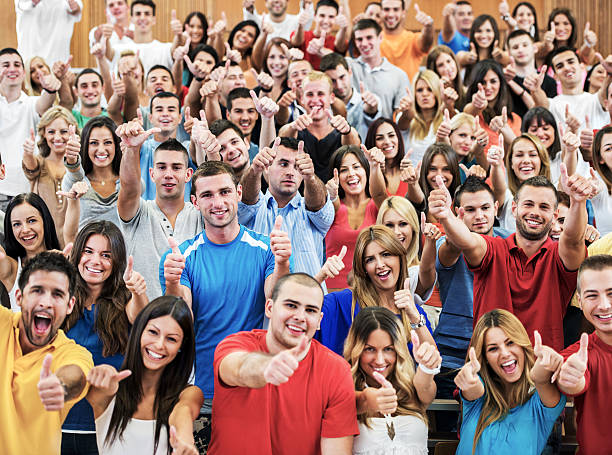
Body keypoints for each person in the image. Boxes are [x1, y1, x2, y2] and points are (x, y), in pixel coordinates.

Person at [161, 160, 293, 452]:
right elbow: (182, 317)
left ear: (237, 193)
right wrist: (171, 281)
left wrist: (283, 262)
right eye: (207, 195)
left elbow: (277, 297)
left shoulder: (267, 249)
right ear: (195, 202)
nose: (217, 202)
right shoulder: (180, 257)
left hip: (255, 390)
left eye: (224, 192)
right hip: (201, 394)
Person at [429, 170, 592, 352]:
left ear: (554, 216)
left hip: (541, 370)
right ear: (514, 209)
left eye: (544, 207)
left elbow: (573, 239)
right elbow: (467, 240)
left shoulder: (559, 256)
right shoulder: (493, 248)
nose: (535, 212)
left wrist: (578, 201)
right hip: (490, 372)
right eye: (528, 204)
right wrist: (446, 216)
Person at [209, 273, 358, 454]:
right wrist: (266, 367)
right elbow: (237, 368)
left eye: (310, 310)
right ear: (270, 308)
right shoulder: (236, 344)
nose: (300, 316)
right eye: (291, 305)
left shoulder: (337, 370)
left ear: (319, 321)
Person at [60, 221, 148, 455]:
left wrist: (139, 292)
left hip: (108, 428)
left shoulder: (125, 300)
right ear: (78, 254)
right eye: (88, 251)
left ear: (117, 262)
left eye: (106, 255)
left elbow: (141, 319)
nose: (95, 261)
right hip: (57, 426)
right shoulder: (62, 298)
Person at [433, 176, 511, 431]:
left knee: (491, 432)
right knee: (450, 436)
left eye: (485, 208)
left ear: (496, 208)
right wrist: (448, 220)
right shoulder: (448, 242)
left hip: (498, 354)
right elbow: (451, 250)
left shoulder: (509, 241)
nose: (479, 216)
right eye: (470, 210)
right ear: (459, 212)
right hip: (452, 355)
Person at [0, 251, 93, 454]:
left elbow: (76, 375)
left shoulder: (74, 353)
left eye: (57, 294)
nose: (46, 302)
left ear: (70, 305)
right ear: (19, 297)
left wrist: (60, 386)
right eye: (37, 291)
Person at [86, 296, 202, 454]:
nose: (159, 345)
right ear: (139, 331)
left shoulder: (188, 393)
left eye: (171, 339)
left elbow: (183, 412)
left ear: (181, 346)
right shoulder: (109, 390)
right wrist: (100, 374)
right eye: (153, 332)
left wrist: (184, 439)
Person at [454, 309, 565, 454]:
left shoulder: (540, 402)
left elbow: (542, 381)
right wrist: (469, 380)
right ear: (485, 358)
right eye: (493, 349)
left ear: (522, 344)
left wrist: (543, 370)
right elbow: (473, 389)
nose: (505, 354)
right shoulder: (477, 397)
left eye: (511, 343)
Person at [116, 116, 203, 301]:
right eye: (162, 167)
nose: (168, 174)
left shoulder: (200, 214)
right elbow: (129, 188)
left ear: (188, 174)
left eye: (176, 167)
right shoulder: (138, 212)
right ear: (152, 173)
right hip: (145, 320)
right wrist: (132, 149)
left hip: (191, 321)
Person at [316, 224, 434, 356]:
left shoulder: (414, 310)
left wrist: (414, 317)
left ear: (400, 258)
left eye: (386, 254)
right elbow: (298, 314)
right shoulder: (343, 302)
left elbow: (433, 363)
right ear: (364, 268)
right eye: (370, 259)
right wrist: (318, 279)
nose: (380, 265)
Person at [345, 306, 440, 454]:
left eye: (388, 349)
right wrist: (369, 399)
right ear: (356, 348)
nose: (380, 360)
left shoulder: (412, 388)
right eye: (370, 349)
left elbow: (426, 388)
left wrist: (426, 367)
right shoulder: (342, 390)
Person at [239, 137, 333, 282]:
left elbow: (317, 205)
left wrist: (311, 177)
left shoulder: (311, 209)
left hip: (310, 302)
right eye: (284, 164)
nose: (291, 172)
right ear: (267, 167)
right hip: (259, 303)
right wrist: (255, 169)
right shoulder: (253, 209)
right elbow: (246, 200)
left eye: (297, 167)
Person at [558, 255, 612, 455]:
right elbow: (571, 380)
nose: (604, 305)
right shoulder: (577, 355)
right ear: (580, 301)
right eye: (592, 295)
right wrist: (570, 378)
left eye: (611, 293)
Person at [0, 47, 58, 208]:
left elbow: (45, 102)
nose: (12, 69)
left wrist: (50, 88)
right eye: (6, 65)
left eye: (17, 65)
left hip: (25, 190)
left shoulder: (31, 103)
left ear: (23, 72)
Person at [324, 145, 387, 290]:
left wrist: (375, 166)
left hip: (371, 294)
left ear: (366, 170)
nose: (351, 173)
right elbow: (332, 205)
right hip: (333, 294)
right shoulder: (333, 206)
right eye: (343, 170)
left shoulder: (377, 206)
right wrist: (332, 196)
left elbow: (379, 194)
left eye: (356, 167)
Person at [279, 71, 360, 182]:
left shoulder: (341, 131)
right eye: (310, 94)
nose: (315, 100)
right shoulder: (295, 129)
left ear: (331, 98)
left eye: (320, 94)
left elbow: (354, 146)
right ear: (302, 98)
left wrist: (347, 131)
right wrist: (293, 126)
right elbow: (283, 136)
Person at [60, 116, 122, 245]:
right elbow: (74, 176)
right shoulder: (77, 182)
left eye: (107, 142)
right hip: (87, 259)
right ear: (85, 146)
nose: (101, 149)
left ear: (116, 145)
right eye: (94, 143)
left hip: (123, 258)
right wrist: (72, 160)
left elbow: (137, 184)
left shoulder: (127, 182)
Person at [22, 106, 79, 246]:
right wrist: (27, 153)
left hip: (74, 240)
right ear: (44, 134)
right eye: (51, 132)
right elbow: (30, 166)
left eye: (63, 131)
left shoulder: (79, 166)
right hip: (44, 241)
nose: (57, 137)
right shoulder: (39, 163)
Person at [0, 193, 61, 311]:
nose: (25, 230)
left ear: (44, 220)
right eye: (17, 224)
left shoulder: (65, 259)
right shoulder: (11, 269)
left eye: (32, 221)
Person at [348, 18, 411, 123]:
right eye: (359, 39)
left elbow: (401, 121)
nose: (364, 43)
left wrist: (408, 111)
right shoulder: (348, 67)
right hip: (353, 136)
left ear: (380, 37)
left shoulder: (398, 75)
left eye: (369, 37)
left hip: (385, 136)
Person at [532, 47, 610, 130]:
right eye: (560, 66)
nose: (567, 68)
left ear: (582, 67)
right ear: (555, 76)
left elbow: (606, 91)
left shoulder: (596, 100)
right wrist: (535, 89)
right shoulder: (552, 104)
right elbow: (541, 101)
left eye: (571, 62)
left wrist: (610, 73)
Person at [488, 133, 552, 231]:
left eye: (533, 155)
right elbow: (499, 189)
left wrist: (570, 151)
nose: (526, 160)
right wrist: (496, 165)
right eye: (519, 155)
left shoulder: (553, 195)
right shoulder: (507, 197)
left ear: (541, 160)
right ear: (511, 163)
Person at [463, 60, 521, 151]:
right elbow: (467, 113)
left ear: (501, 83)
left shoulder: (515, 119)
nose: (488, 87)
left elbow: (520, 151)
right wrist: (477, 105)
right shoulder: (474, 114)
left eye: (493, 81)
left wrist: (506, 132)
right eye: (483, 82)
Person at [321, 52, 378, 141]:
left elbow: (372, 115)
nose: (339, 85)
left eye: (342, 77)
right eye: (333, 81)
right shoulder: (322, 108)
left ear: (350, 72)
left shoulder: (368, 100)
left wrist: (372, 109)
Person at [107, 0, 174, 75]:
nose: (142, 18)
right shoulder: (119, 50)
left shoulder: (166, 49)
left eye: (147, 14)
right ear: (132, 19)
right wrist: (105, 38)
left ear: (154, 19)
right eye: (138, 14)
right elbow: (106, 53)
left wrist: (179, 35)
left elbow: (179, 44)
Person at [505, 30, 557, 119]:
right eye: (515, 47)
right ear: (509, 53)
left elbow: (550, 115)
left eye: (525, 45)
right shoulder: (505, 80)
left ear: (535, 48)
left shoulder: (549, 82)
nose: (520, 50)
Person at [379, 0, 434, 81]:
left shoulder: (412, 39)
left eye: (396, 9)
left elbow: (426, 44)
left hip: (408, 92)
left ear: (403, 13)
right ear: (381, 12)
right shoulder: (372, 40)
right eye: (386, 9)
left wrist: (428, 26)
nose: (391, 14)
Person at [15, 0, 82, 65]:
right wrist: (33, 2)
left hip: (58, 63)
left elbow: (77, 9)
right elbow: (21, 5)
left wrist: (74, 7)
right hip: (29, 62)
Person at [291, 0, 350, 70]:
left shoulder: (336, 41)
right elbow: (296, 42)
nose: (326, 21)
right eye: (322, 16)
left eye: (331, 17)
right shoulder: (303, 35)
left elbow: (341, 47)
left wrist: (343, 28)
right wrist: (300, 25)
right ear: (315, 16)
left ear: (336, 19)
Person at [400, 70, 445, 163]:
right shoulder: (407, 117)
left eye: (430, 89)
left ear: (437, 92)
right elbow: (402, 124)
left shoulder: (446, 118)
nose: (424, 94)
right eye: (419, 90)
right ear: (414, 94)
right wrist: (408, 112)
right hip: (409, 175)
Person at [435, 112, 489, 182]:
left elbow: (486, 170)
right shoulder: (434, 159)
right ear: (449, 135)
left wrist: (480, 148)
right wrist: (442, 140)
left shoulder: (474, 162)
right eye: (462, 135)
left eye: (472, 138)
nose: (467, 142)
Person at [457, 15, 510, 81]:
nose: (484, 36)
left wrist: (500, 56)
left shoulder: (502, 56)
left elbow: (507, 58)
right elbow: (461, 57)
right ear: (473, 34)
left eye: (488, 31)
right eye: (479, 31)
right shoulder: (463, 55)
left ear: (495, 33)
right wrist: (469, 58)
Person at [365, 118, 408, 196]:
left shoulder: (409, 172)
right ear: (372, 143)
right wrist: (376, 170)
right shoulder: (367, 177)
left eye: (391, 135)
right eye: (380, 138)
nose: (387, 142)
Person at [426, 45, 465, 112]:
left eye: (449, 61)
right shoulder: (430, 95)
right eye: (440, 65)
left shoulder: (465, 91)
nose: (447, 68)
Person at [589, 126, 612, 236]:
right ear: (600, 159)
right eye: (609, 148)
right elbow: (595, 186)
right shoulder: (599, 181)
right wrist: (592, 187)